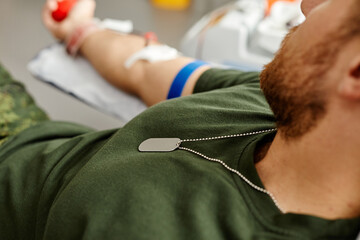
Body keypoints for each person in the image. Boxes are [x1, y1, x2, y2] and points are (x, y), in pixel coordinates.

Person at [0, 0, 359, 239]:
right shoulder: (282, 100)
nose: (305, 4)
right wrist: (81, 32)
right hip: (32, 140)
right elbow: (146, 69)